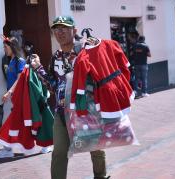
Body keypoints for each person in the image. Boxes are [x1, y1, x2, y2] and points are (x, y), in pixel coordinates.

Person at [31, 16, 110, 179]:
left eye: (64, 28)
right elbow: (53, 84)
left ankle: (100, 176)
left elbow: (100, 73)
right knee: (59, 152)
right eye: (56, 29)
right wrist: (38, 68)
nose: (60, 32)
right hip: (61, 111)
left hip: (85, 109)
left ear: (73, 30)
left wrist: (96, 47)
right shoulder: (55, 57)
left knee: (95, 148)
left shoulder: (85, 51)